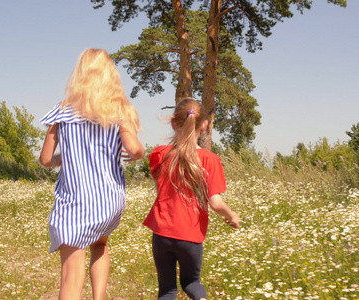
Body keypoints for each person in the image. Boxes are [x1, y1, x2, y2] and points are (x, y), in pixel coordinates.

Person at [39, 48, 145, 300]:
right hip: (108, 200)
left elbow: (45, 160)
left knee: (71, 276)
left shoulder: (62, 112)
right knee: (100, 244)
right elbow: (134, 148)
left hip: (75, 201)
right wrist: (138, 153)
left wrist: (64, 157)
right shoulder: (118, 109)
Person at [143, 98, 240, 300]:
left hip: (162, 234)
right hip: (190, 236)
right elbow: (215, 202)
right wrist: (232, 215)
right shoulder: (209, 159)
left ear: (173, 123)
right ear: (204, 125)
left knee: (167, 290)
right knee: (192, 283)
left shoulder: (160, 154)